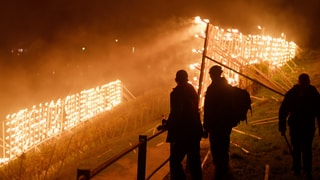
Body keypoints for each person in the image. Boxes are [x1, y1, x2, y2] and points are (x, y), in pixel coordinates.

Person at [279, 73, 320, 179]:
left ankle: (307, 170)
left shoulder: (312, 92)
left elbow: (319, 110)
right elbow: (283, 110)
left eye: (307, 83)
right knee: (297, 148)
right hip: (296, 125)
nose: (305, 85)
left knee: (306, 148)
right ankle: (297, 168)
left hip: (307, 125)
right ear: (300, 82)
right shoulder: (292, 94)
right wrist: (282, 126)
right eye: (304, 83)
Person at [166, 69, 203, 180]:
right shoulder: (192, 90)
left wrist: (168, 124)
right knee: (194, 160)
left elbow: (177, 112)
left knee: (174, 161)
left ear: (176, 80)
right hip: (195, 130)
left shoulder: (176, 93)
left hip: (184, 132)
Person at [203, 65, 234, 179]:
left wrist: (206, 126)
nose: (210, 76)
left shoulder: (212, 89)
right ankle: (224, 168)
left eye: (211, 74)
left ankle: (219, 170)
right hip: (226, 124)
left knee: (216, 147)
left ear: (214, 75)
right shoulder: (227, 87)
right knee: (224, 146)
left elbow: (208, 108)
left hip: (216, 124)